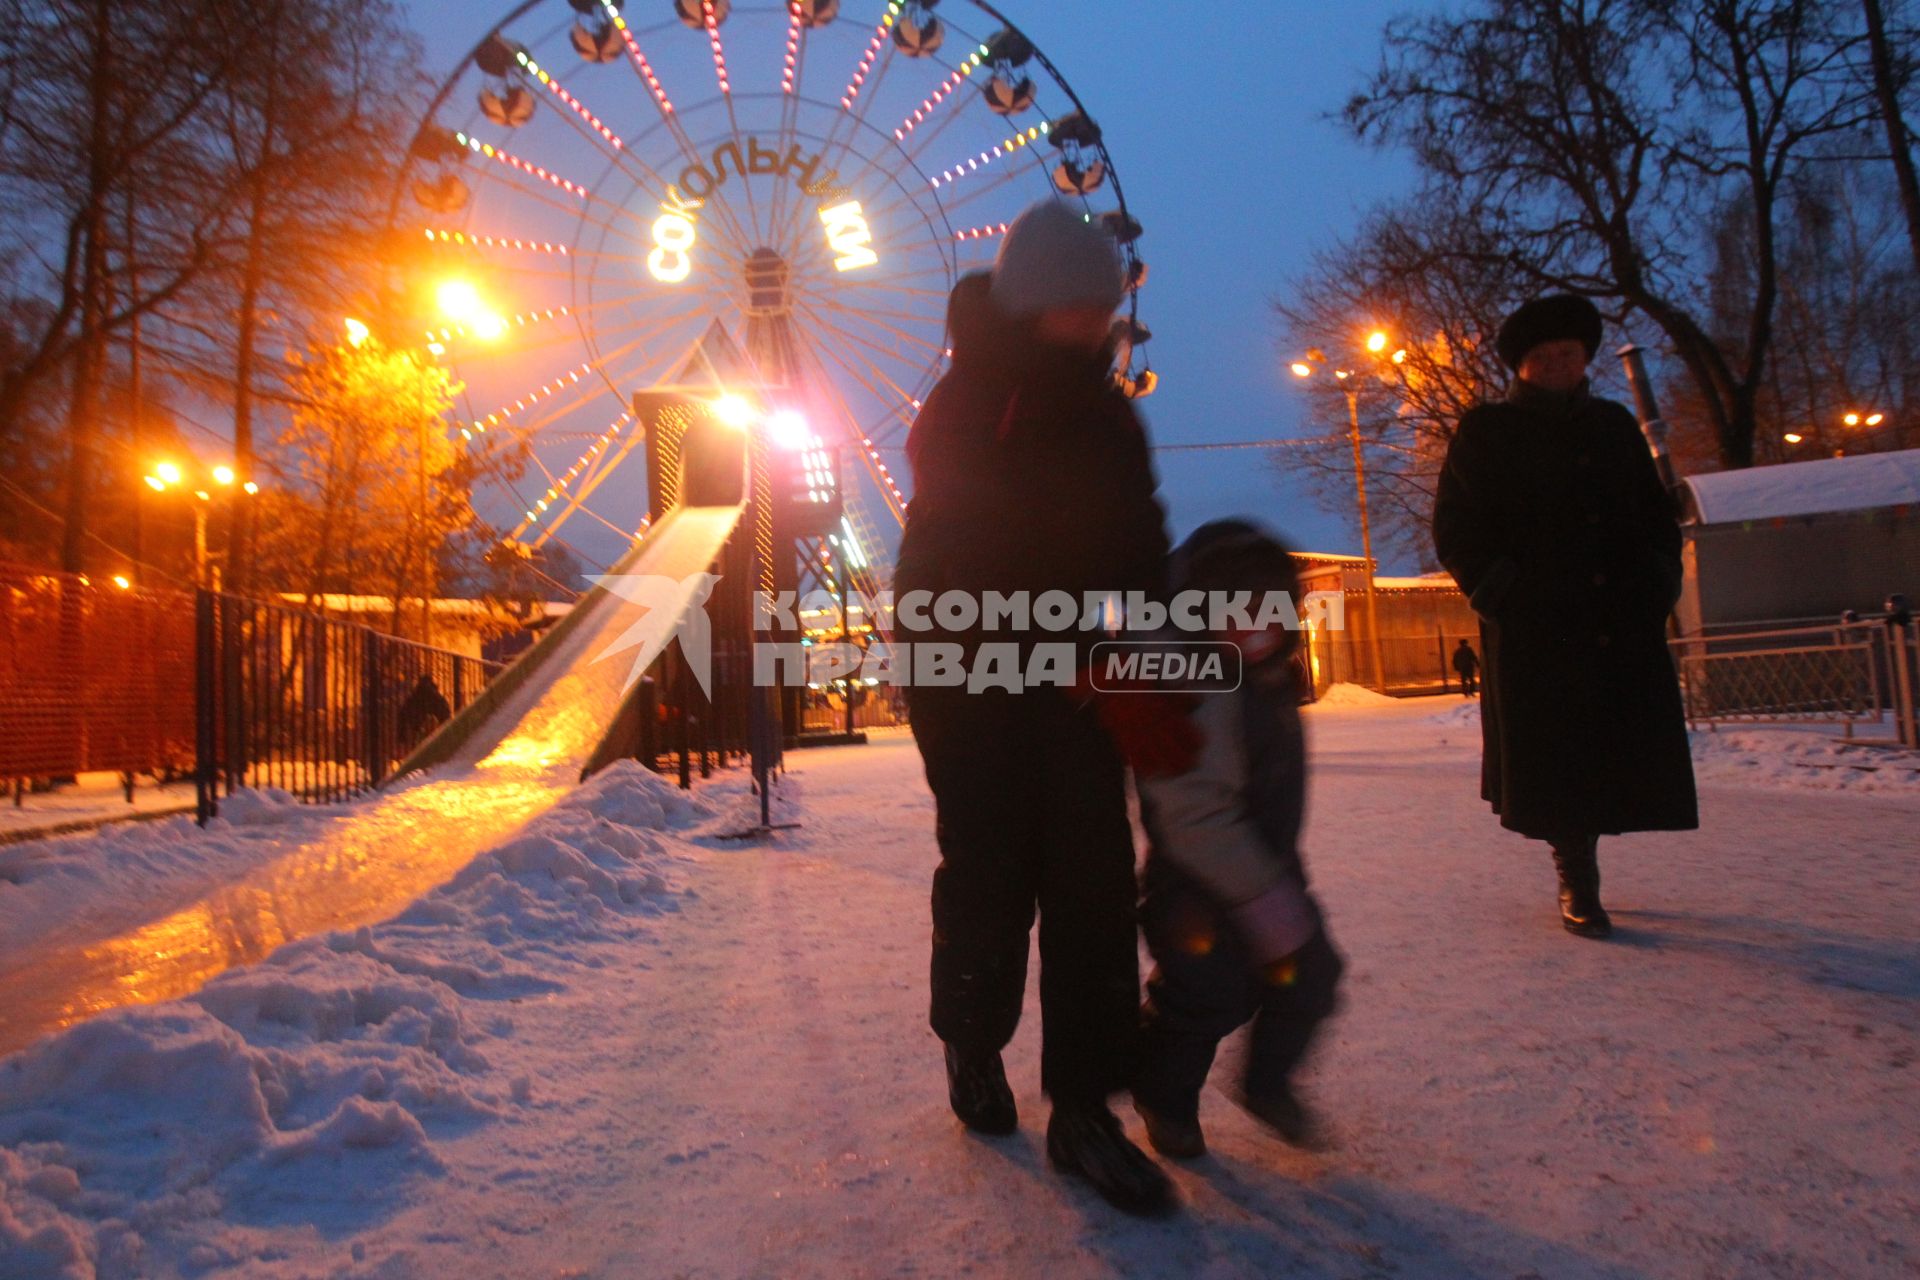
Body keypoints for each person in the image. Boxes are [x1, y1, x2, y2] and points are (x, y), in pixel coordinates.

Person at [898, 199, 1179, 1215]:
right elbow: (955, 555)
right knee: (990, 874)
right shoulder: (966, 405)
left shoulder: (1110, 413)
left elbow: (1139, 543)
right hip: (970, 683)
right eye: (1074, 306)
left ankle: (1085, 1111)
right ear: (1031, 305)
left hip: (1077, 690)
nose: (1093, 324)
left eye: (1102, 307)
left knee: (1095, 885)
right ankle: (974, 1045)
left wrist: (1147, 637)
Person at [1432, 295, 1698, 939]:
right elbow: (1457, 529)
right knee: (1558, 758)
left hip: (1619, 621)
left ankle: (1586, 856)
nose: (1557, 365)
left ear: (1585, 360)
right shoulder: (1487, 431)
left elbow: (1655, 517)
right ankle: (1575, 870)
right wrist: (1504, 594)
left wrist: (1660, 581)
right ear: (1521, 366)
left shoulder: (1612, 425)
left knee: (1613, 747)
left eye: (1569, 355)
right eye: (1543, 357)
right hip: (1538, 631)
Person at [1130, 521, 1345, 1159]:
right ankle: (1162, 1092)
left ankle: (1266, 1084)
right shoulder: (1188, 677)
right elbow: (1190, 809)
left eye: (1271, 610)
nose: (1257, 625)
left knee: (1308, 977)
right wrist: (1262, 897)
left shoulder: (1264, 668)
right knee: (1209, 994)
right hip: (1193, 885)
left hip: (1265, 863)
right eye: (1238, 609)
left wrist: (1274, 877)